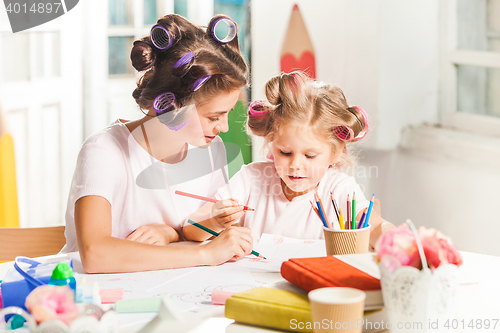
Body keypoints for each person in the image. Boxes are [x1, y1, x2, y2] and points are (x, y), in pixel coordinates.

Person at [61, 14, 253, 273]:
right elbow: (96, 254)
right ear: (172, 107)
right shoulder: (104, 152)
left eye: (227, 113)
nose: (224, 127)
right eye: (213, 117)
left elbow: (197, 230)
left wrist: (171, 233)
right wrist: (205, 253)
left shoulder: (211, 149)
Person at [183, 71, 395, 247]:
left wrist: (397, 240)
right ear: (271, 143)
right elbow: (190, 228)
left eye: (310, 155)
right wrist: (215, 221)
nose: (295, 165)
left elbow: (376, 227)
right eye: (285, 153)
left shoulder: (340, 189)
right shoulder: (252, 179)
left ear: (336, 153)